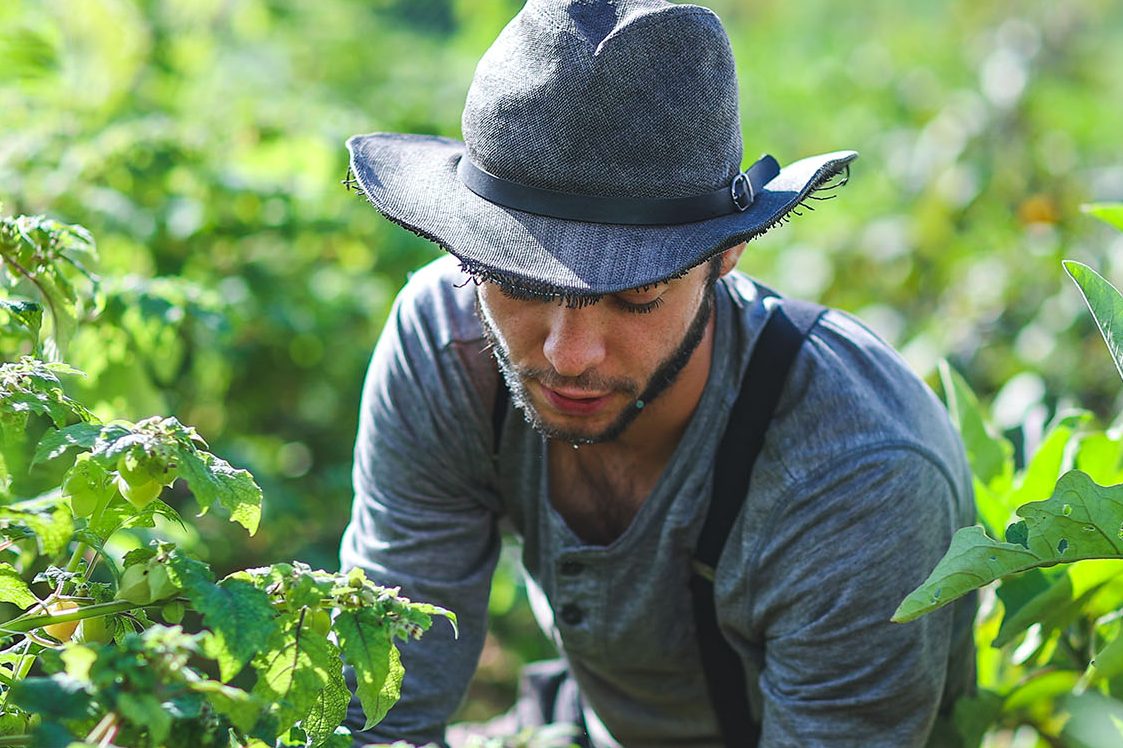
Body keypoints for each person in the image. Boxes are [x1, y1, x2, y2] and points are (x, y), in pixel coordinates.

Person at [339, 1, 976, 746]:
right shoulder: (447, 346)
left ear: (725, 256)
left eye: (635, 297)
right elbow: (384, 708)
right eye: (518, 283)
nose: (567, 354)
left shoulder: (854, 475)